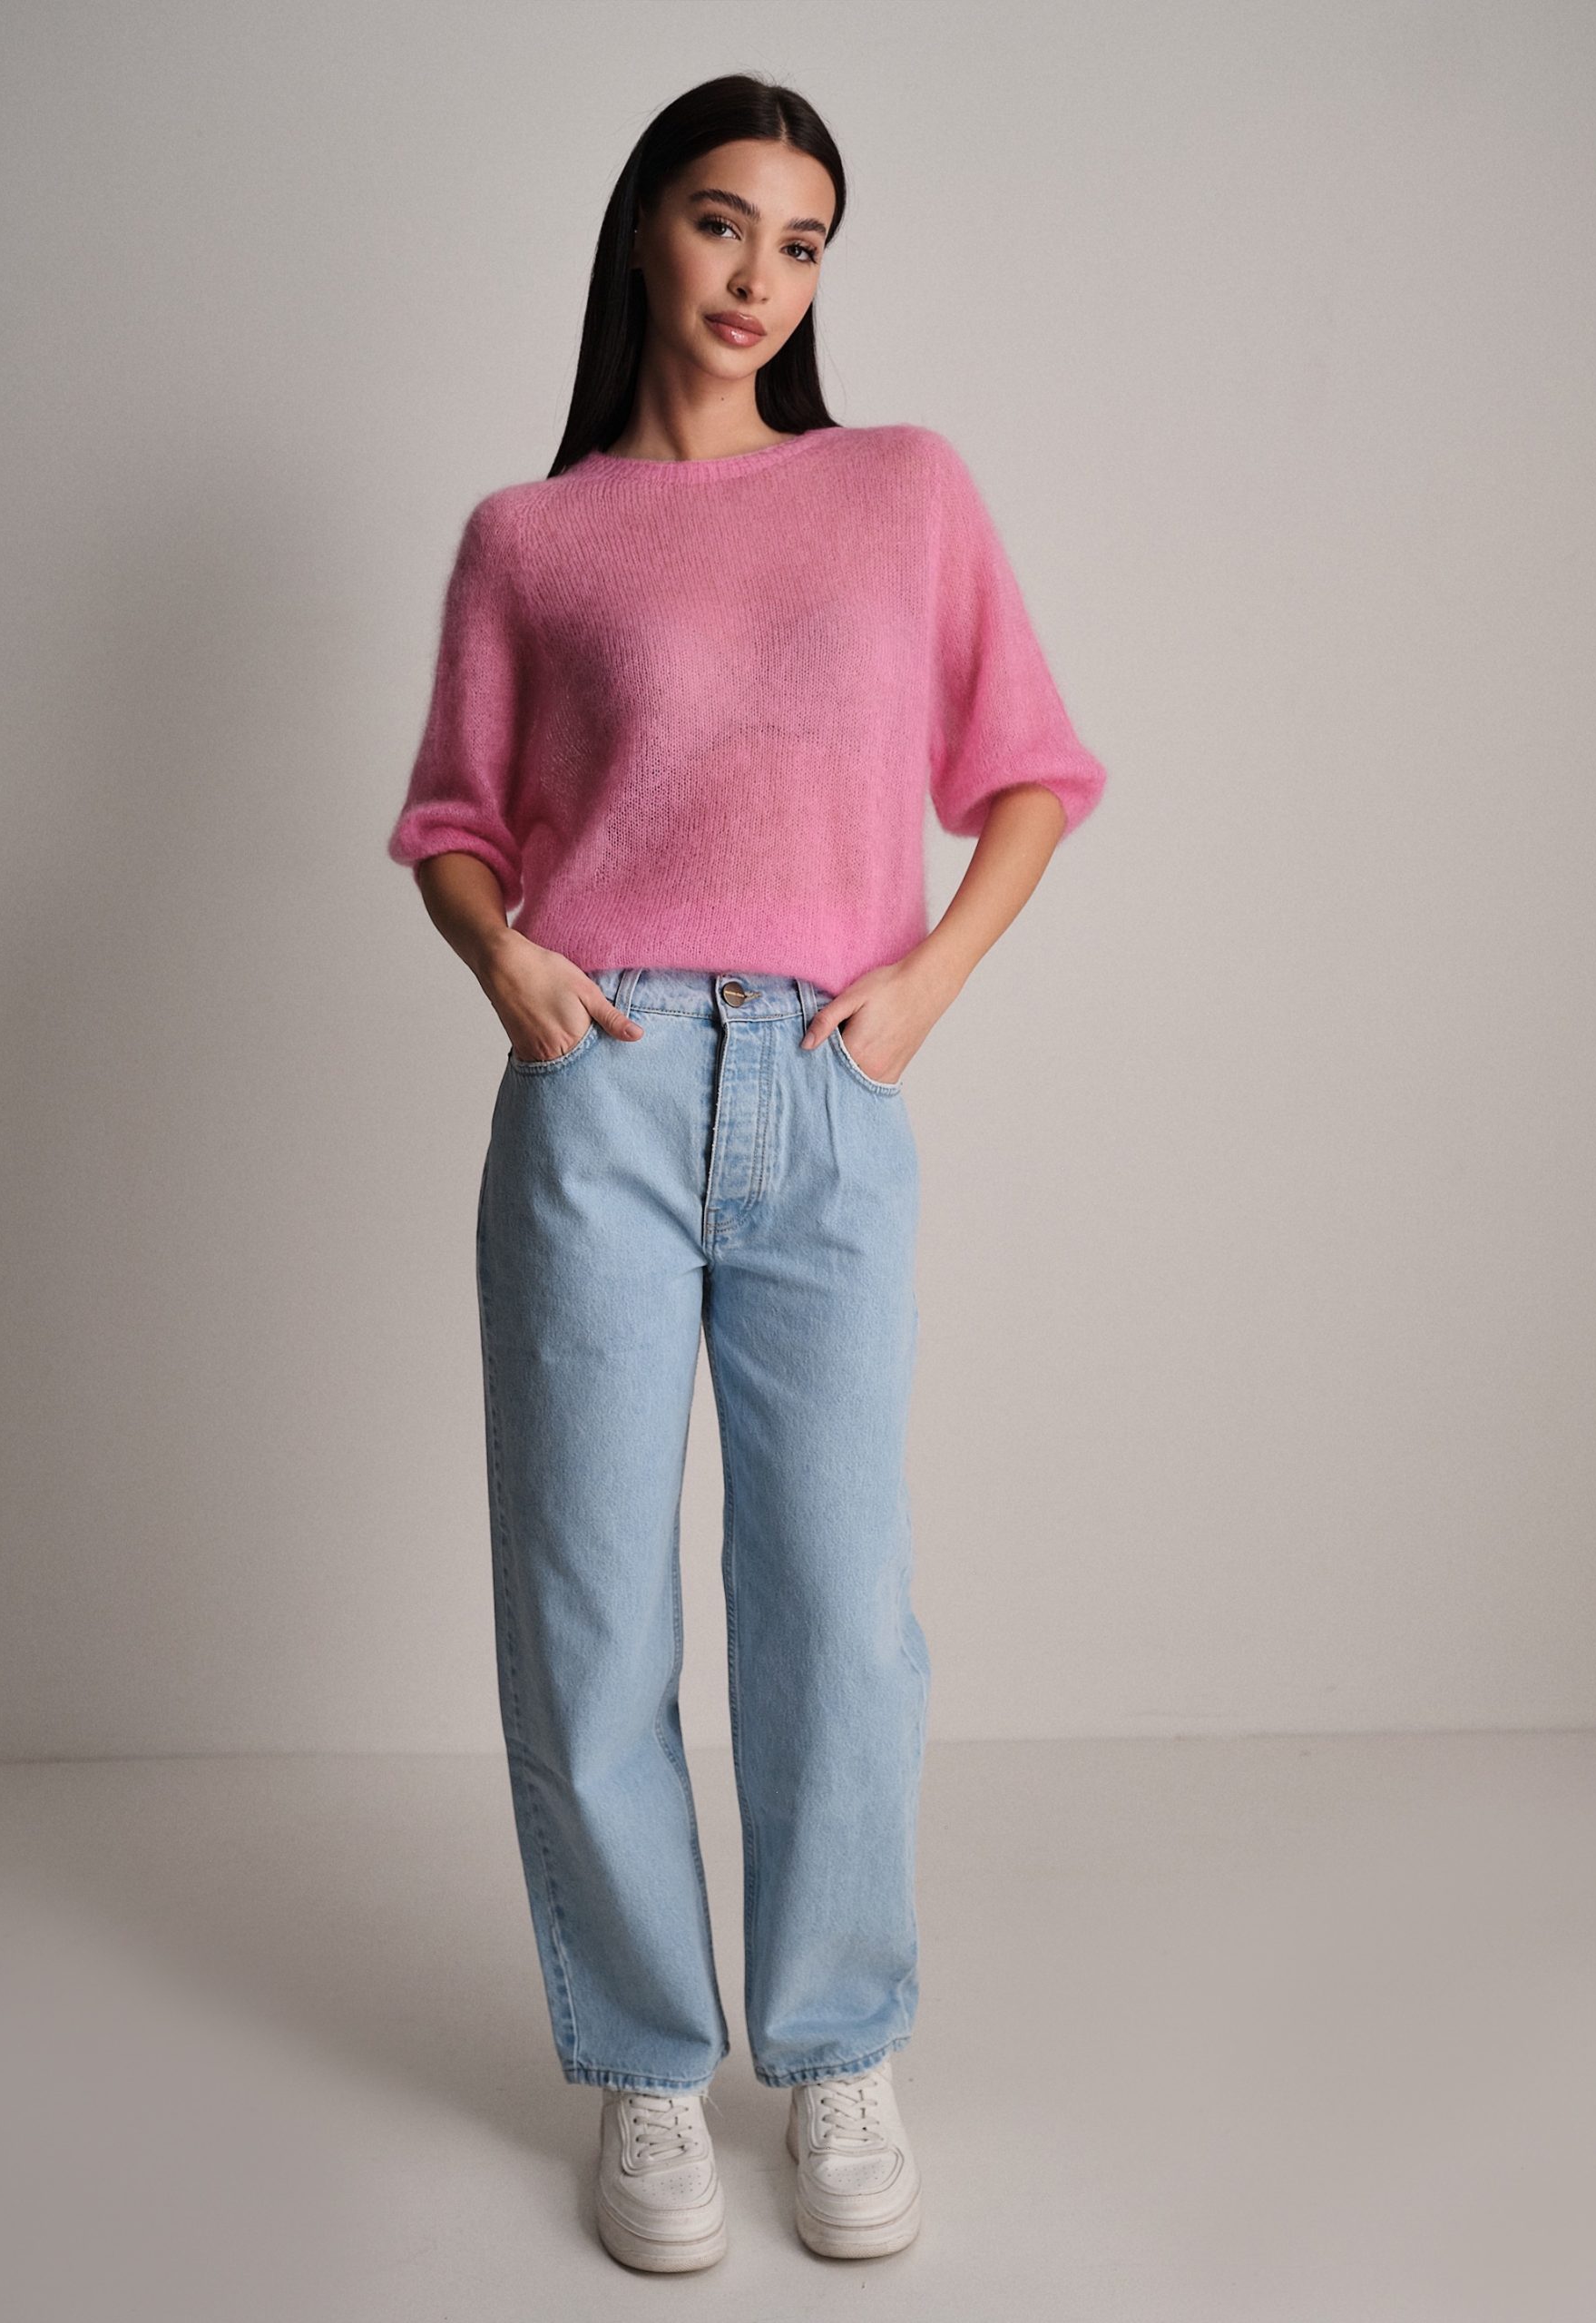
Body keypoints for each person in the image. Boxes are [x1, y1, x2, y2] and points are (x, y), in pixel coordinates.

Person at [387, 73, 1107, 2272]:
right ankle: (639, 2061)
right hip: (597, 1084)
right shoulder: (531, 537)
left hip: (821, 1079)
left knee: (834, 1606)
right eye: (721, 223)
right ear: (644, 230)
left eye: (801, 243)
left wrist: (921, 990)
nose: (757, 277)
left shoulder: (901, 490)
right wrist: (507, 961)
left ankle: (835, 2044)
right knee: (591, 1604)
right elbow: (452, 823)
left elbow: (1033, 772)